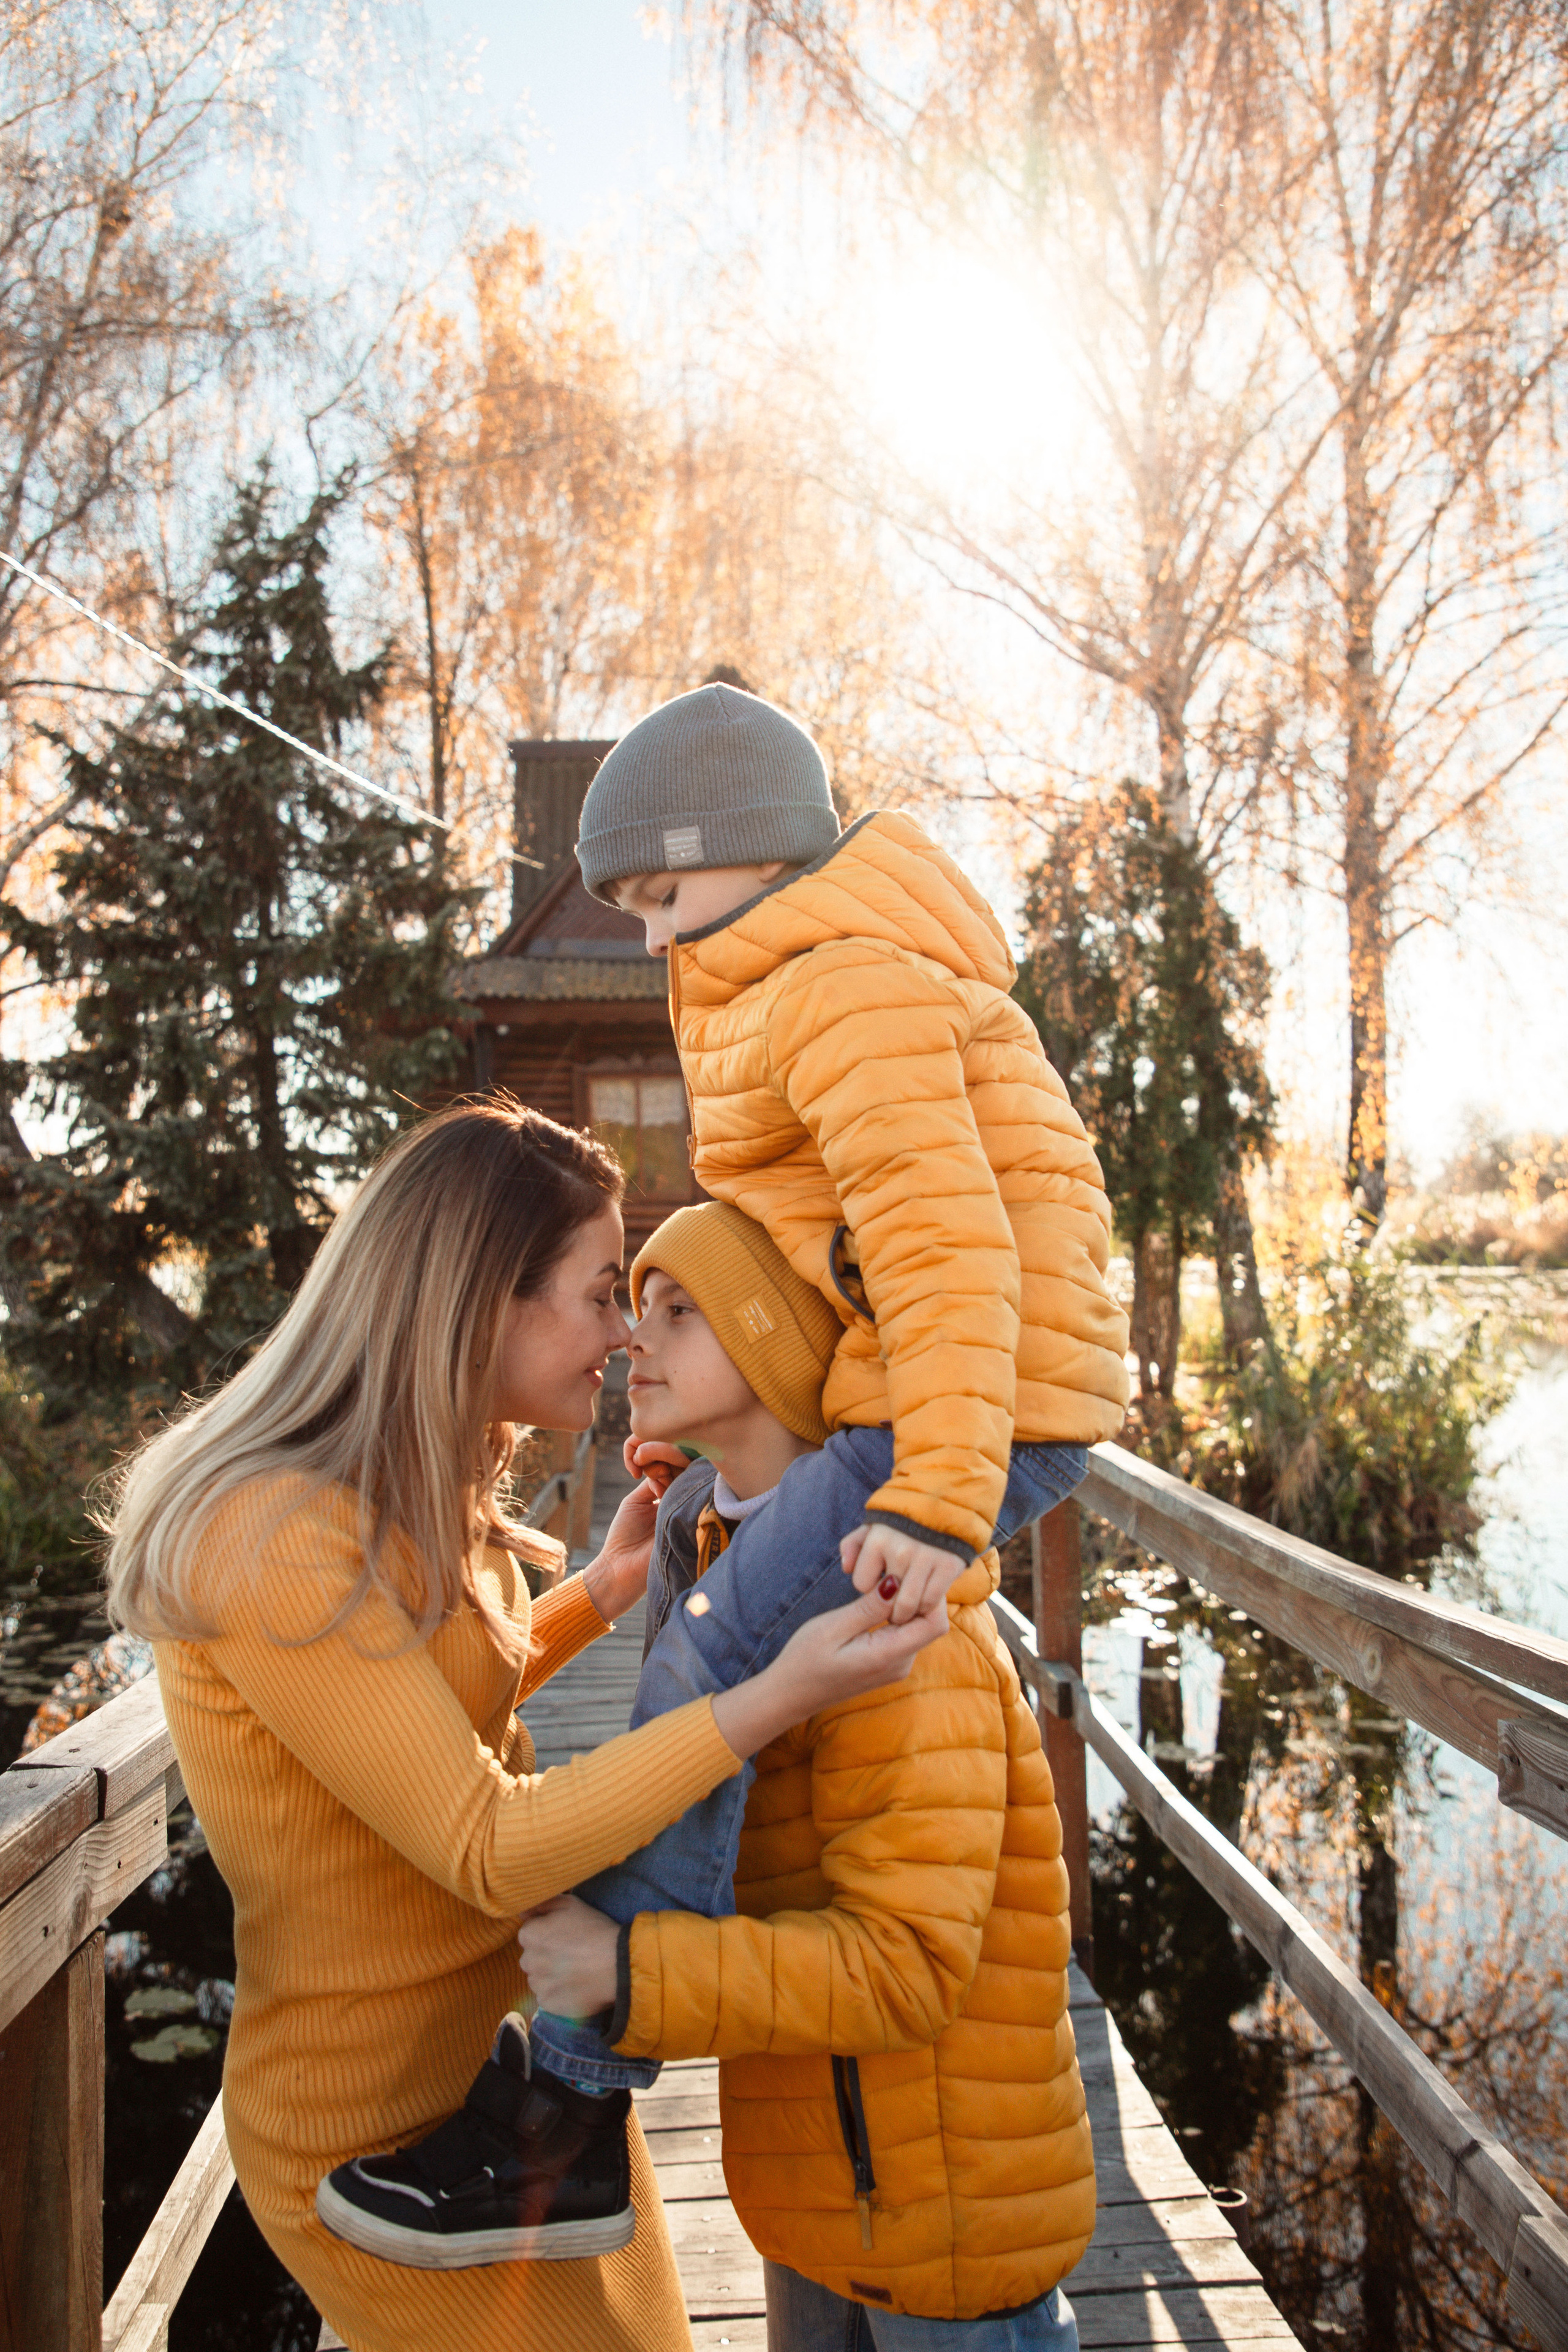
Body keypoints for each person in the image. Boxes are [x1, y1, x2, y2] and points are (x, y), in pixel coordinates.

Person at [328, 684, 1129, 2253]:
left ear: (752, 855)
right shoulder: (784, 981)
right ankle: (605, 2037)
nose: (643, 938)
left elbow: (943, 1255)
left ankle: (574, 2100)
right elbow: (816, 1254)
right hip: (926, 1398)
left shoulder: (840, 987)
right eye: (629, 905)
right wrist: (714, 1432)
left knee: (707, 1647)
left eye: (661, 895)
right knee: (701, 1551)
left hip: (972, 1407)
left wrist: (932, 1497)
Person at [105, 1101, 945, 2352]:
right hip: (381, 2144)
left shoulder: (418, 1481)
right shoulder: (272, 1531)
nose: (623, 1334)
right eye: (603, 1294)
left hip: (515, 2092)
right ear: (479, 1296)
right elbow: (484, 1843)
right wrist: (771, 1696)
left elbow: (420, 1693)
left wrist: (596, 1596)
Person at [521, 1202, 1095, 2348]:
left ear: (776, 1343)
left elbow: (908, 1969)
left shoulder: (900, 1625)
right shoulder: (726, 1568)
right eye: (634, 1308)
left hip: (943, 2236)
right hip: (816, 2201)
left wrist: (624, 1971)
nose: (634, 1340)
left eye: (679, 1311)